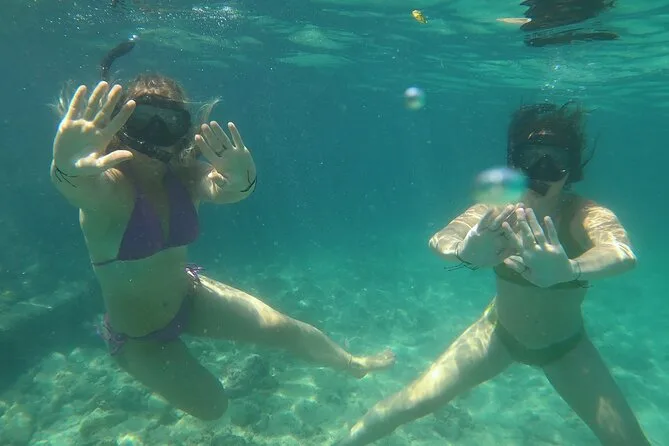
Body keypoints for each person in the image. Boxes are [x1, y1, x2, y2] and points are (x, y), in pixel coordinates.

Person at [50, 43, 395, 421]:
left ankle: (352, 363)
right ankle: (114, 343)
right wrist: (66, 165)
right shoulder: (111, 187)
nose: (154, 132)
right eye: (143, 119)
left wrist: (244, 177)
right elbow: (78, 187)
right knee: (213, 407)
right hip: (138, 337)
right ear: (120, 123)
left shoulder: (185, 176)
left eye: (168, 122)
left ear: (184, 130)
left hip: (191, 297)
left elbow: (227, 190)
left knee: (286, 329)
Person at [336, 102, 650, 445]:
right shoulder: (496, 210)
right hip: (496, 335)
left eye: (556, 158)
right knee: (404, 406)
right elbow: (442, 238)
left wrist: (570, 268)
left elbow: (621, 252)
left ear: (571, 167)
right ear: (515, 161)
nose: (542, 169)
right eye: (532, 156)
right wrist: (464, 251)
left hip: (568, 350)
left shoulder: (583, 214)